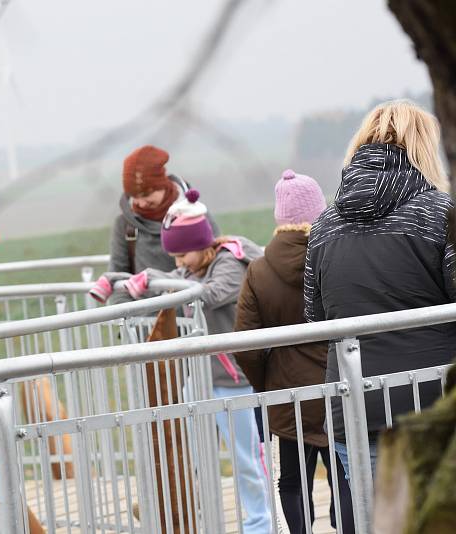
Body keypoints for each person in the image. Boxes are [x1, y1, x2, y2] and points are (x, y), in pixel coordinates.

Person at [304, 99, 456, 480]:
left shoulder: (324, 225)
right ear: (424, 148)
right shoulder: (441, 213)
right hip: (434, 402)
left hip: (354, 406)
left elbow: (315, 315)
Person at [112, 189, 272, 533]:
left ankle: (260, 524)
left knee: (246, 460)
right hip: (199, 378)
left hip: (234, 381)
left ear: (203, 243)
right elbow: (181, 284)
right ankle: (177, 510)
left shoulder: (229, 263)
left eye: (183, 253)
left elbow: (211, 295)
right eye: (175, 255)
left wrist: (161, 281)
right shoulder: (192, 268)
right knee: (190, 455)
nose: (180, 261)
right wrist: (145, 280)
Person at [235, 169, 354, 533]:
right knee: (344, 475)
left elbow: (245, 343)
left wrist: (265, 382)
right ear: (319, 211)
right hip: (339, 385)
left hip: (287, 393)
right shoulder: (338, 256)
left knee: (292, 480)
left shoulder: (257, 270)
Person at [107, 145, 218, 277]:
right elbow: (117, 276)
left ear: (162, 185)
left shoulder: (195, 213)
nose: (141, 203)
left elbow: (215, 258)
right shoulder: (125, 225)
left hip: (193, 295)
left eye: (146, 194)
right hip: (146, 298)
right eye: (135, 196)